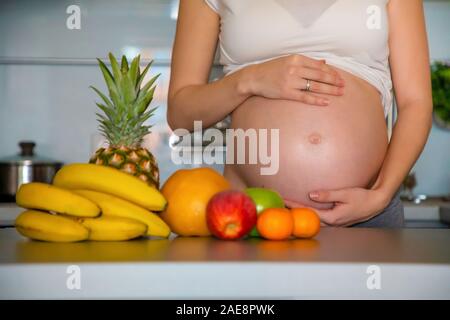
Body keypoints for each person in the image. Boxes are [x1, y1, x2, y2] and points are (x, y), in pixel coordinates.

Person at [167, 0, 432, 227]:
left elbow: (416, 103)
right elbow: (180, 113)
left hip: (368, 212)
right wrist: (249, 79)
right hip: (250, 211)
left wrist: (381, 195)